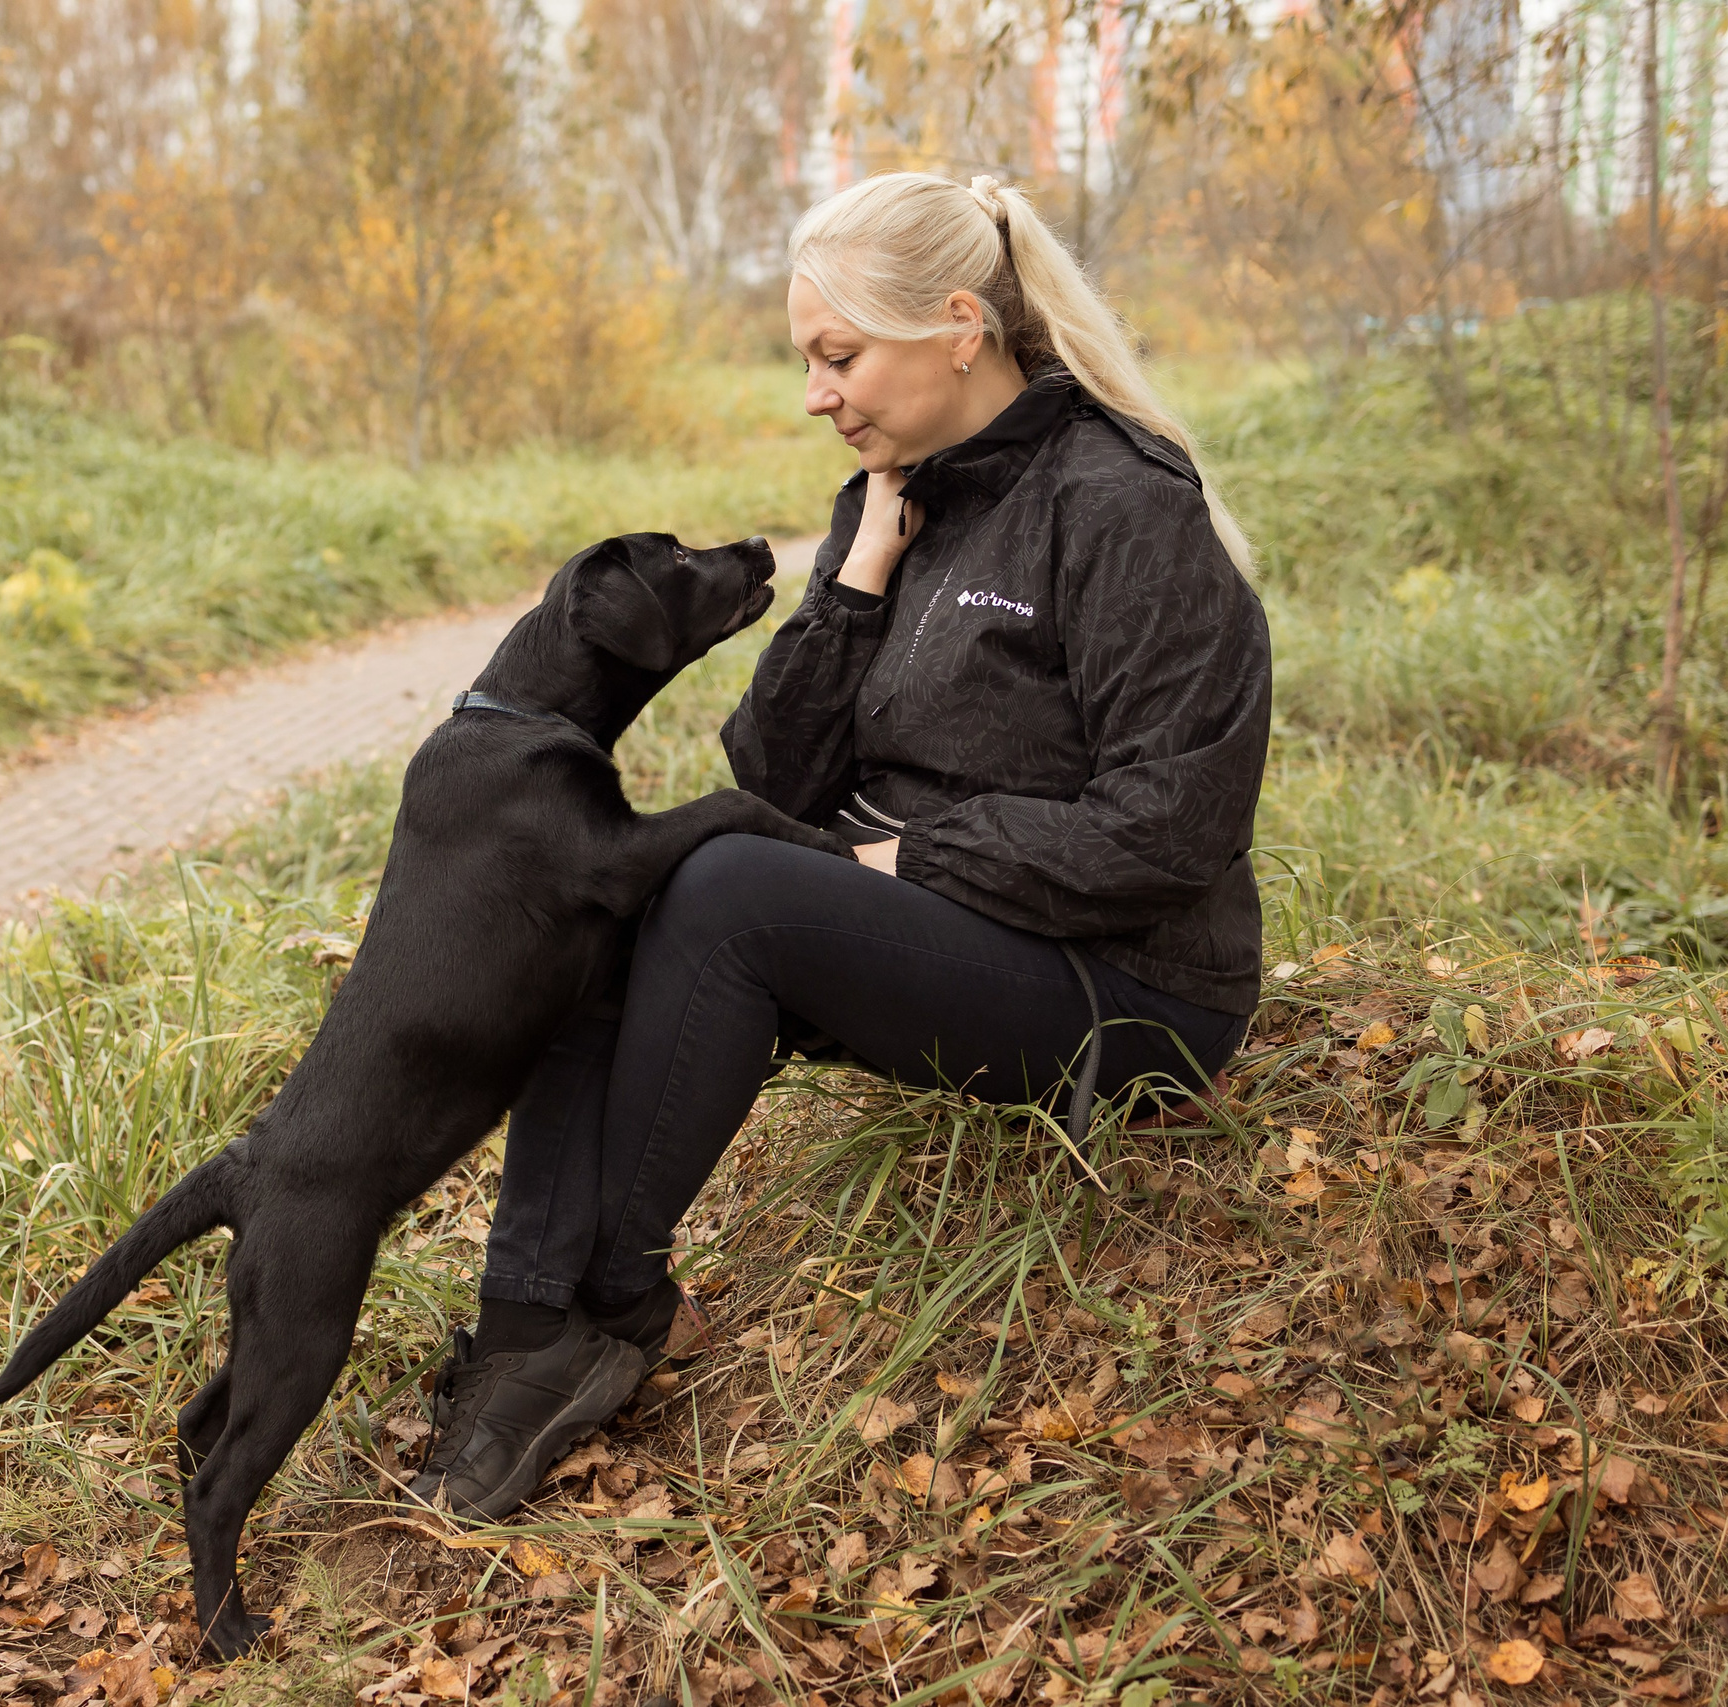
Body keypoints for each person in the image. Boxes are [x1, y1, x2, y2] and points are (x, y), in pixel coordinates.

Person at [405, 170, 1273, 1522]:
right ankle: (529, 1323)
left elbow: (1170, 831)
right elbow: (771, 772)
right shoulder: (890, 498)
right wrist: (857, 579)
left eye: (839, 355)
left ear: (958, 325)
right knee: (612, 894)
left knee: (738, 888)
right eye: (810, 361)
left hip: (1136, 984)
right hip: (955, 935)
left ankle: (615, 1301)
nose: (818, 393)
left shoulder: (1121, 504)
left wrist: (903, 862)